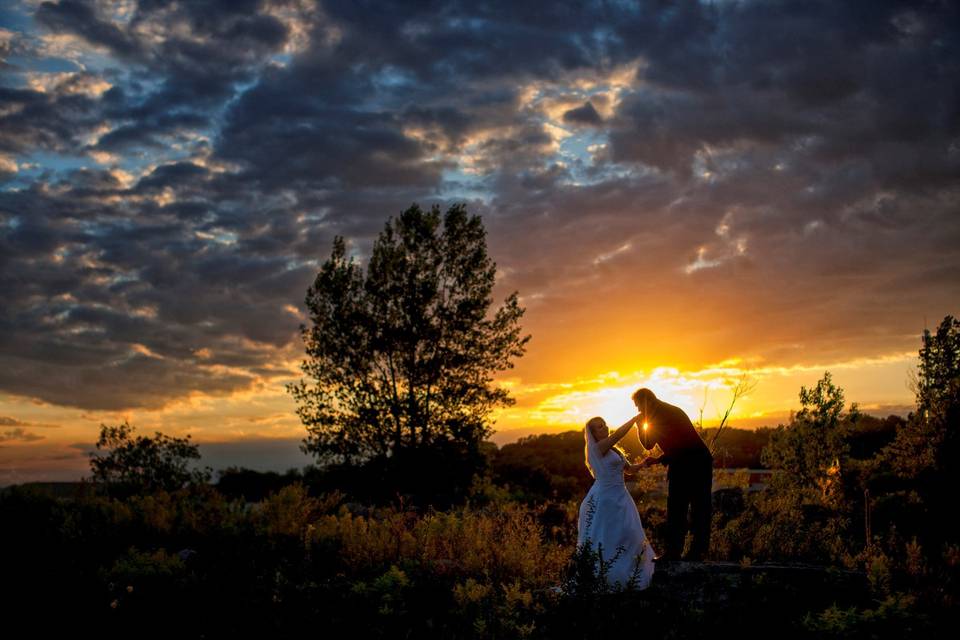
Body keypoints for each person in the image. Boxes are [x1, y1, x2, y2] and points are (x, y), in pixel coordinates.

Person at [633, 387, 713, 561]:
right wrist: (658, 459)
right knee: (683, 507)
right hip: (687, 461)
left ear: (647, 402)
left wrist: (639, 425)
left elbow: (648, 443)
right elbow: (677, 444)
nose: (638, 411)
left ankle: (688, 552)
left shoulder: (661, 414)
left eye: (638, 406)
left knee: (690, 507)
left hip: (694, 464)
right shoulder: (664, 411)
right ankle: (681, 552)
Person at [577, 413, 656, 590]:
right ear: (593, 434)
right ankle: (608, 576)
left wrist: (644, 463)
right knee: (608, 536)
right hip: (605, 498)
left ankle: (632, 571)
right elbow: (619, 434)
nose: (604, 427)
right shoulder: (597, 448)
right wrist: (635, 419)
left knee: (629, 533)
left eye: (604, 424)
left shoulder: (614, 450)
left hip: (622, 496)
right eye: (599, 426)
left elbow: (629, 470)